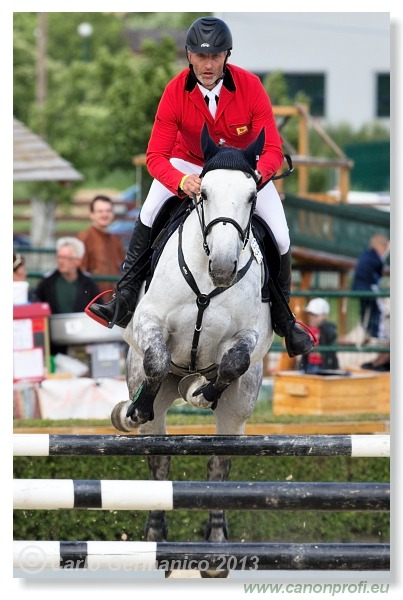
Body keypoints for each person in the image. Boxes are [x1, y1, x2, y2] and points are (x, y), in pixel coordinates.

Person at [89, 16, 313, 358]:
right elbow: (155, 156)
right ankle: (125, 296)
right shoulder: (175, 91)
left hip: (243, 169)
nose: (208, 65)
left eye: (215, 56)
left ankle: (285, 319)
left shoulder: (251, 86)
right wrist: (179, 181)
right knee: (148, 213)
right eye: (200, 56)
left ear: (227, 56)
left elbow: (273, 150)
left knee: (280, 235)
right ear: (189, 55)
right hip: (189, 163)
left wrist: (257, 176)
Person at [35, 237, 102, 354]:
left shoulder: (89, 284)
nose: (61, 261)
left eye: (66, 258)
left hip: (82, 344)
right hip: (53, 346)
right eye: (59, 257)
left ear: (78, 261)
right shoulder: (47, 283)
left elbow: (99, 310)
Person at [77, 195, 126, 303]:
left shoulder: (115, 240)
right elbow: (79, 272)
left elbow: (122, 269)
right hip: (92, 302)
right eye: (100, 211)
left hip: (114, 301)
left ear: (113, 214)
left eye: (108, 211)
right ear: (92, 215)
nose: (105, 214)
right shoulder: (85, 238)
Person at [351, 234, 390, 339]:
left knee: (366, 310)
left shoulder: (366, 254)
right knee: (378, 309)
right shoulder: (375, 258)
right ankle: (376, 334)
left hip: (359, 287)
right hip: (368, 287)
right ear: (381, 247)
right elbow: (380, 268)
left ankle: (367, 332)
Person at [299, 298, 339, 374]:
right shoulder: (307, 329)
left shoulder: (329, 330)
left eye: (315, 315)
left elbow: (332, 350)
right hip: (309, 365)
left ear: (325, 315)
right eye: (310, 315)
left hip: (324, 366)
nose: (312, 318)